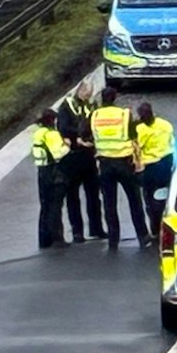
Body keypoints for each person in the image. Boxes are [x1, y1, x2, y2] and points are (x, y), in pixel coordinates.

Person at [89, 86, 150, 249]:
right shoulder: (124, 114)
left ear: (102, 99)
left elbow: (85, 133)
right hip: (124, 162)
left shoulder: (94, 115)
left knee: (109, 204)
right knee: (134, 200)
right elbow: (134, 135)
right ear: (115, 98)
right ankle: (142, 236)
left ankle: (113, 239)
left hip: (105, 164)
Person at [55, 82, 102, 243]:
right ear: (80, 90)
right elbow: (63, 127)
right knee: (73, 196)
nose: (89, 96)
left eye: (91, 94)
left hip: (89, 155)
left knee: (94, 195)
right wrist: (79, 137)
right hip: (72, 157)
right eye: (87, 93)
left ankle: (96, 228)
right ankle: (77, 232)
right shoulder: (67, 106)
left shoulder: (92, 106)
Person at [31, 111, 70, 249]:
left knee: (45, 206)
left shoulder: (38, 133)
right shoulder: (52, 134)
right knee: (55, 206)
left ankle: (44, 239)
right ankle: (57, 238)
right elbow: (58, 154)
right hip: (54, 173)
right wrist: (67, 145)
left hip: (42, 172)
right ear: (52, 120)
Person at [136, 103, 177, 229]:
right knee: (166, 194)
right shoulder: (165, 124)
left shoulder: (140, 129)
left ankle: (155, 227)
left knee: (150, 198)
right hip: (166, 163)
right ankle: (166, 223)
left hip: (149, 167)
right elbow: (172, 142)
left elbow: (137, 147)